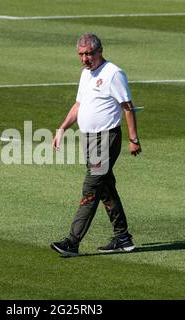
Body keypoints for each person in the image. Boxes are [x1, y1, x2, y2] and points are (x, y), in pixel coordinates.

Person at [50, 33, 142, 257]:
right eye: (81, 54)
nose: (85, 59)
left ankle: (72, 241)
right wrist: (63, 127)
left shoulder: (113, 74)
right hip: (90, 139)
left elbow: (127, 107)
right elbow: (79, 104)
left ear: (100, 51)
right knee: (105, 188)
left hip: (106, 138)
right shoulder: (86, 74)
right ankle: (123, 238)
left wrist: (133, 139)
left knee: (91, 187)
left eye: (89, 54)